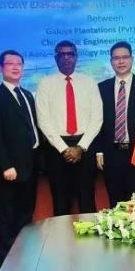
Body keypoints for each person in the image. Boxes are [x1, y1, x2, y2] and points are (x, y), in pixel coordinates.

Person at [0, 50, 40, 267]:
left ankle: (23, 258)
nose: (16, 67)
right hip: (9, 169)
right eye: (10, 64)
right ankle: (5, 263)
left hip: (30, 164)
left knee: (25, 214)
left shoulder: (27, 94)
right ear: (0, 68)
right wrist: (6, 165)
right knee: (6, 215)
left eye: (19, 64)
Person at [36, 40, 103, 216]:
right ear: (55, 58)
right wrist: (64, 149)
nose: (66, 58)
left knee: (87, 199)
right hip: (56, 148)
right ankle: (61, 234)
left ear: (76, 57)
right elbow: (43, 121)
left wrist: (80, 147)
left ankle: (90, 235)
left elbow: (97, 118)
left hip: (85, 145)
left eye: (70, 54)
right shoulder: (45, 84)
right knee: (60, 201)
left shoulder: (89, 82)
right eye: (62, 54)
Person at [96, 42, 135, 207]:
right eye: (116, 58)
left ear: (132, 59)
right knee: (116, 204)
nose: (121, 61)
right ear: (111, 61)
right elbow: (98, 122)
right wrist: (99, 151)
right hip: (112, 154)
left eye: (125, 57)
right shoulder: (102, 88)